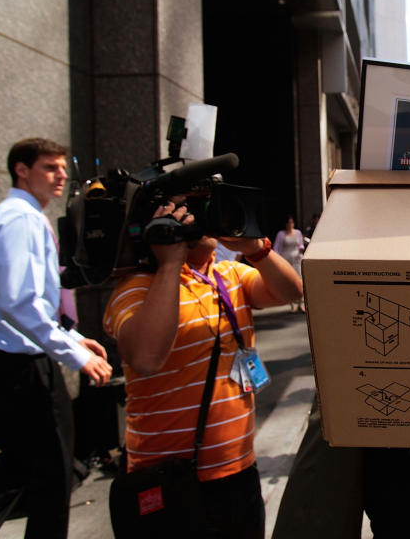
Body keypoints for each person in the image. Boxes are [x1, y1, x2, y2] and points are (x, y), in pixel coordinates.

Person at [102, 201, 303, 538]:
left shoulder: (228, 274)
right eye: (189, 210)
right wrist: (169, 264)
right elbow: (146, 358)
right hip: (171, 480)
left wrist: (257, 249)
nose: (205, 219)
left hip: (238, 470)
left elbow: (291, 291)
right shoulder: (137, 288)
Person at [0, 137, 113, 539]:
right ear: (21, 169)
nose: (62, 176)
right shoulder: (21, 220)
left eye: (63, 168)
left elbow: (17, 300)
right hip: (18, 365)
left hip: (0, 360)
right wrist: (73, 353)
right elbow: (19, 302)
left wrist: (71, 335)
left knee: (30, 465)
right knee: (50, 471)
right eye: (50, 167)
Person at [273, 215, 305, 313]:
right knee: (288, 282)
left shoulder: (298, 232)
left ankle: (301, 303)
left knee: (299, 280)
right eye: (288, 223)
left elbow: (300, 244)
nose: (290, 224)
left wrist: (301, 249)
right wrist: (278, 261)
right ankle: (292, 304)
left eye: (292, 222)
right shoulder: (281, 234)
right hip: (286, 260)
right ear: (286, 224)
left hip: (296, 259)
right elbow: (276, 248)